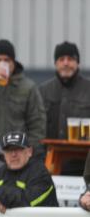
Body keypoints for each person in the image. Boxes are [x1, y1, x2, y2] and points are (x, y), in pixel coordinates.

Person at [38, 42, 90, 174]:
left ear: (78, 62)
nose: (66, 63)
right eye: (61, 59)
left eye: (71, 59)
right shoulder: (43, 91)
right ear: (56, 63)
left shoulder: (88, 89)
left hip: (84, 165)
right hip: (49, 163)